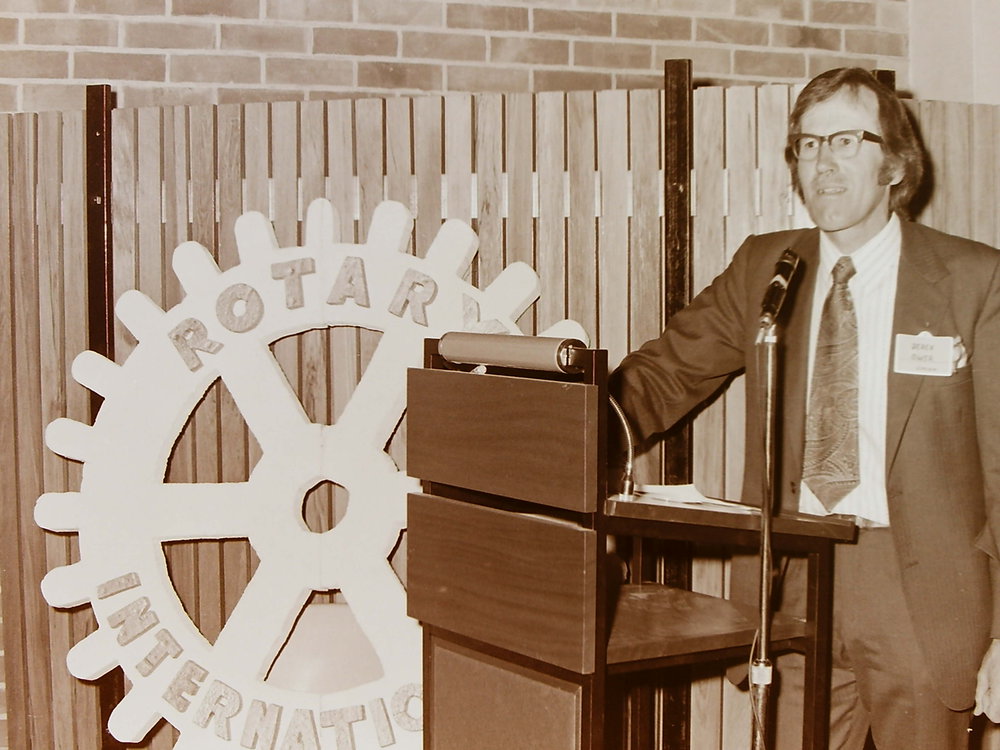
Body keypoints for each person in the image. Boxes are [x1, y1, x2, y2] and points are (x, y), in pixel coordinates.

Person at [609, 67, 1000, 749]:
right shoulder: (767, 267)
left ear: (895, 163)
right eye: (808, 144)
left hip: (922, 592)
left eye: (847, 141)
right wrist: (575, 428)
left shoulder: (973, 280)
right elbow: (663, 375)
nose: (823, 163)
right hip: (792, 579)